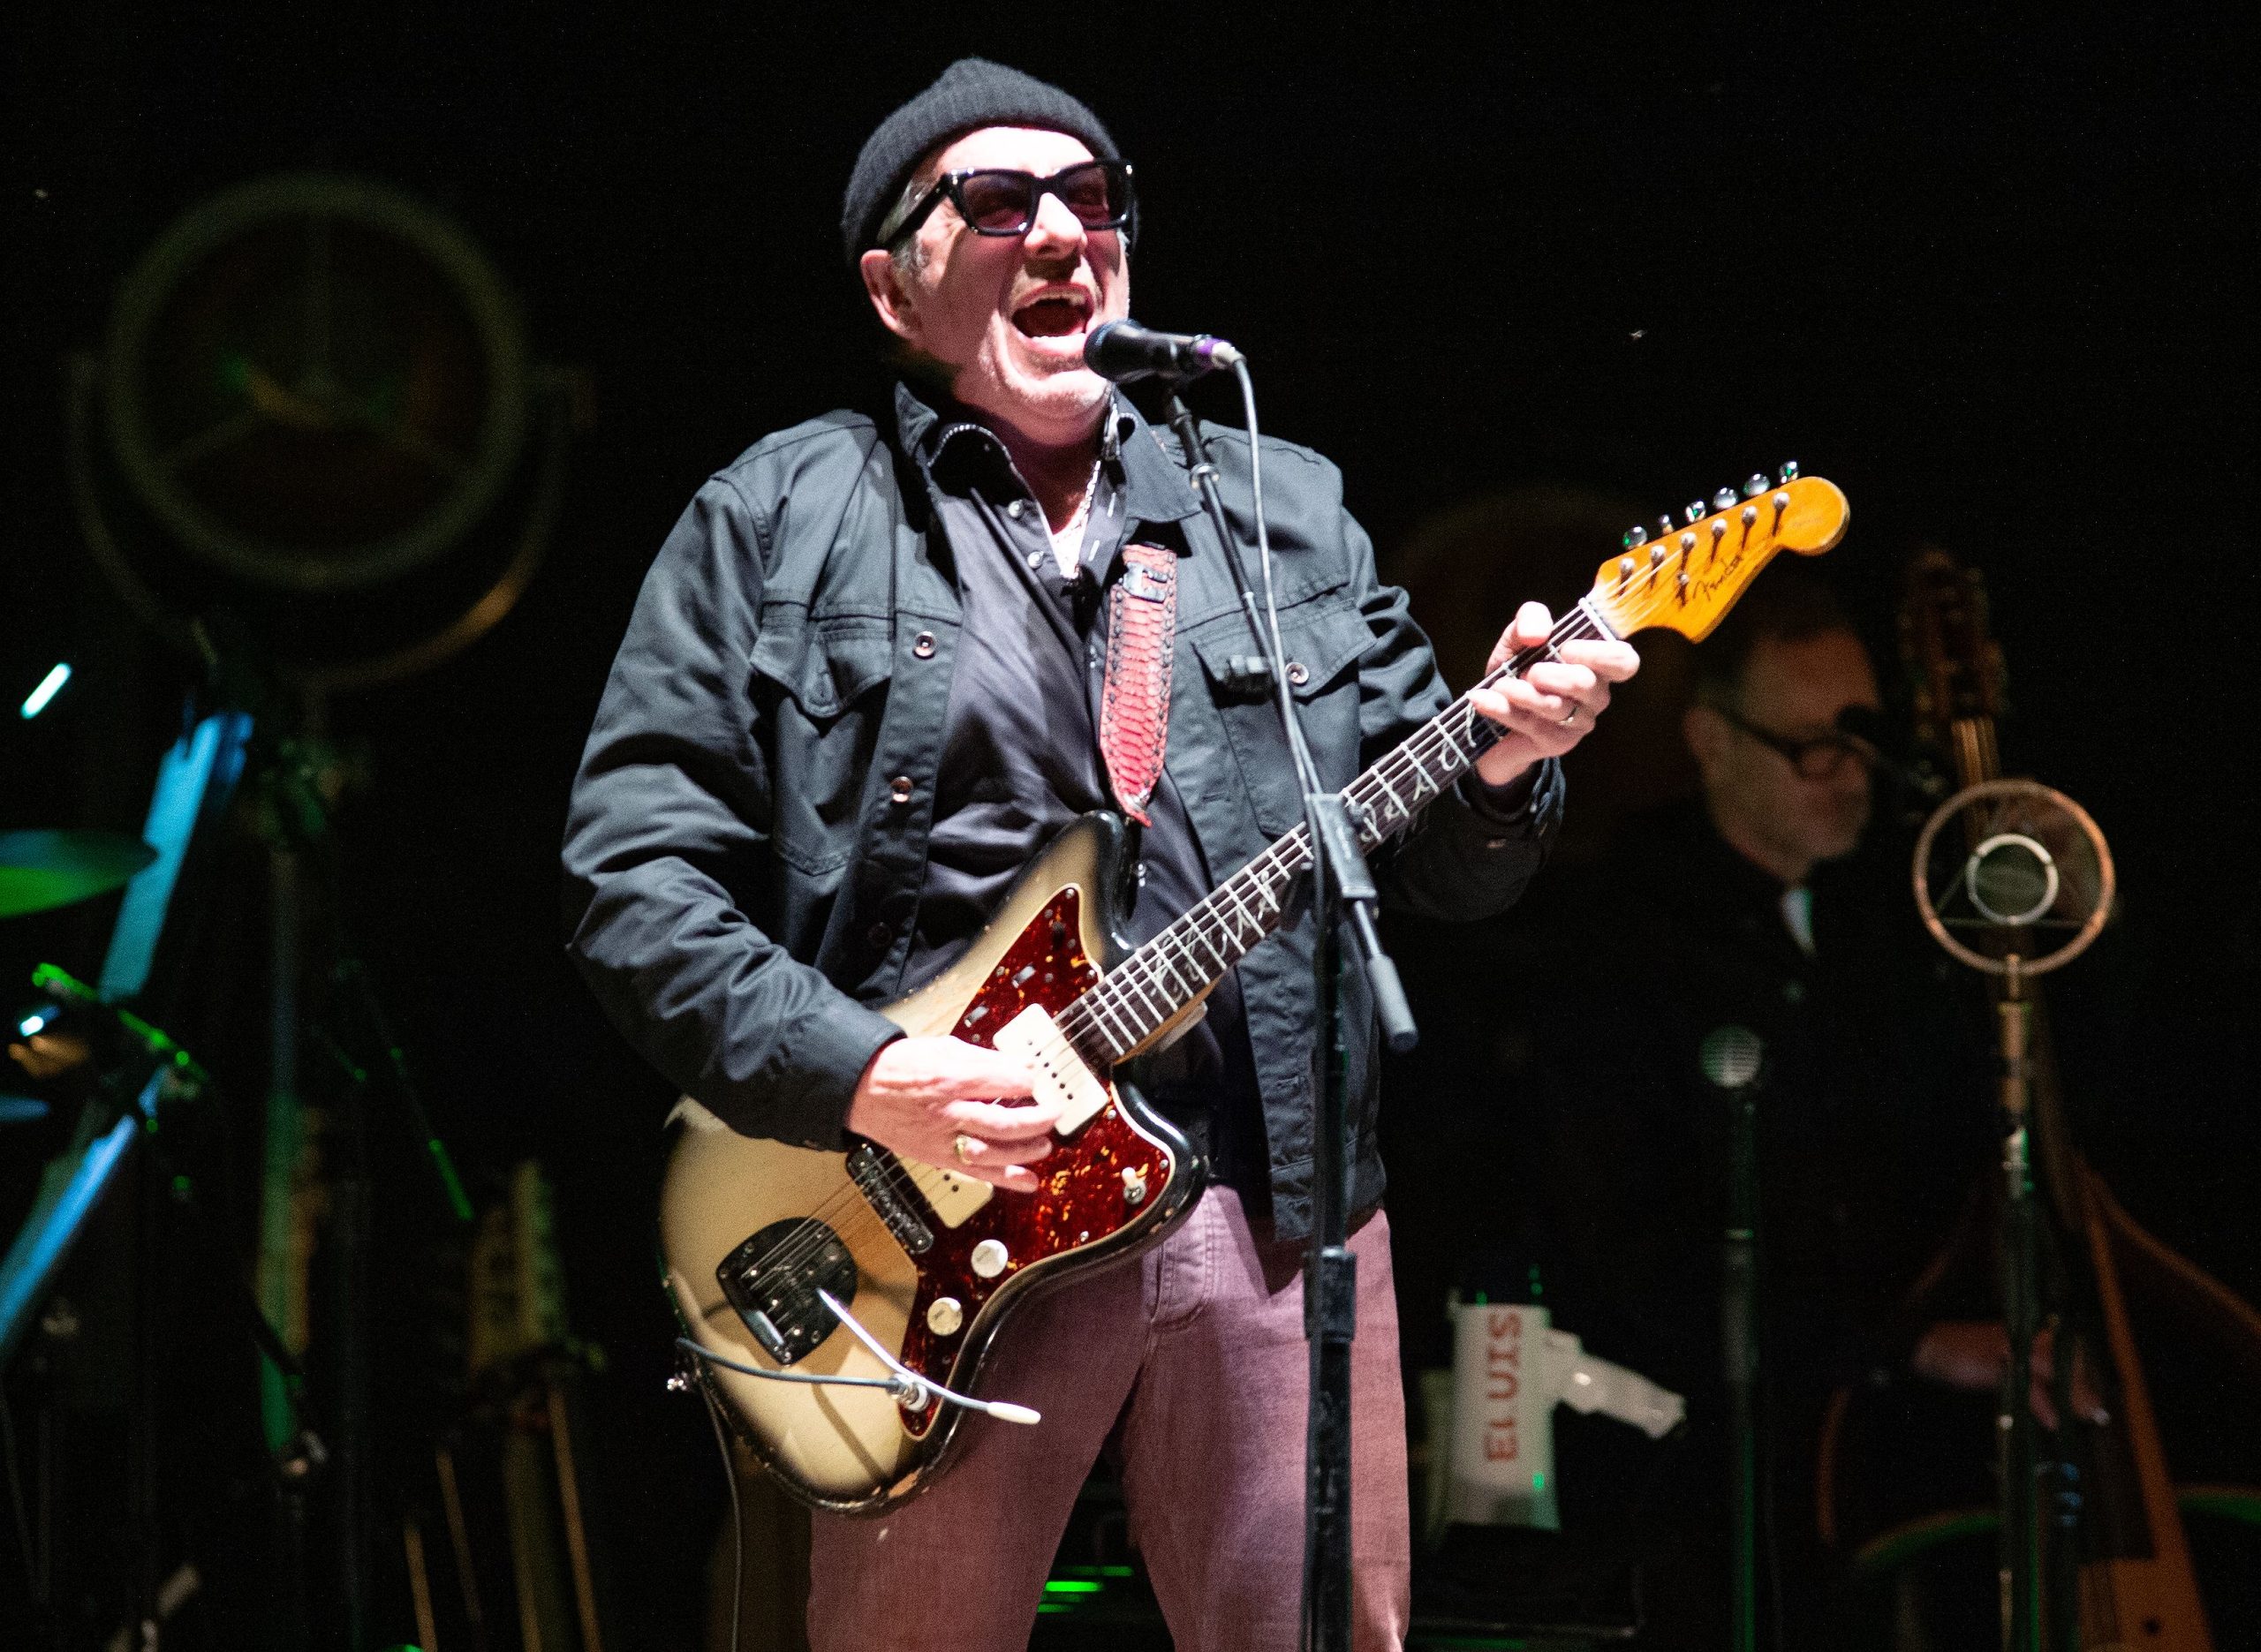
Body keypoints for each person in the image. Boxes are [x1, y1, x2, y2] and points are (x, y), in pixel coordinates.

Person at [560, 58, 1637, 1652]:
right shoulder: (780, 518)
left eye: (1093, 201)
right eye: (997, 204)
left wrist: (1505, 762)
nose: (1062, 232)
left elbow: (1445, 874)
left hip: (1273, 1202)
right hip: (929, 1209)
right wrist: (866, 1072)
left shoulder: (1278, 512)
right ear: (891, 284)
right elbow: (632, 877)